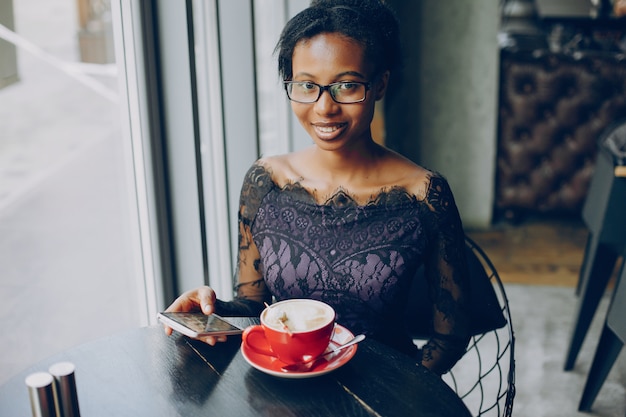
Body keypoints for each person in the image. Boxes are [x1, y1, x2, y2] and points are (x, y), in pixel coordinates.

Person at [164, 0, 470, 376]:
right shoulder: (266, 182)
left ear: (380, 84)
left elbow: (451, 337)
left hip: (383, 393)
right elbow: (254, 307)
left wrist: (398, 396)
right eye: (307, 85)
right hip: (286, 386)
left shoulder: (423, 194)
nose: (325, 108)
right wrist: (210, 312)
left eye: (346, 85)